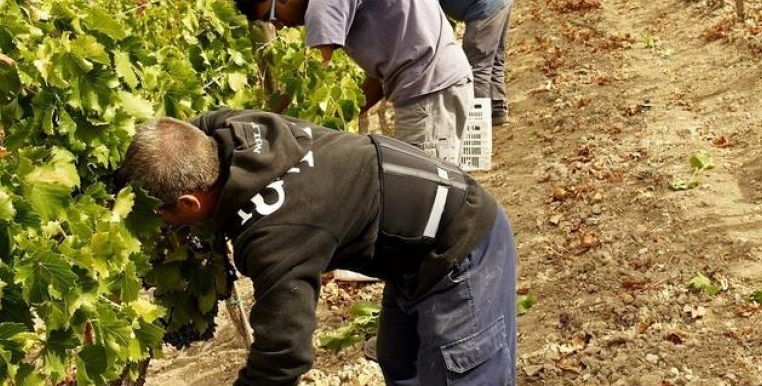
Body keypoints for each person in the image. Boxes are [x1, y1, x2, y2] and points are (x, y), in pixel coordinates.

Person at [121, 109, 518, 386]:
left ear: (190, 204)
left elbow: (285, 354)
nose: (163, 226)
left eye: (163, 216)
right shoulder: (236, 130)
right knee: (402, 362)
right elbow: (188, 132)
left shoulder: (274, 235)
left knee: (458, 374)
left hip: (459, 249)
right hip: (416, 240)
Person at [231, 0, 474, 166]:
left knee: (430, 194)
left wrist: (262, 123)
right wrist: (342, 116)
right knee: (440, 190)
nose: (279, 26)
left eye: (272, 16)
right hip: (440, 83)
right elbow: (381, 74)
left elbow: (309, 77)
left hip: (430, 94)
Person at [374, 0, 514, 126]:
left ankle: (476, 126)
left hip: (486, 3)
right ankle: (497, 111)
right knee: (494, 58)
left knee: (477, 64)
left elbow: (428, 7)